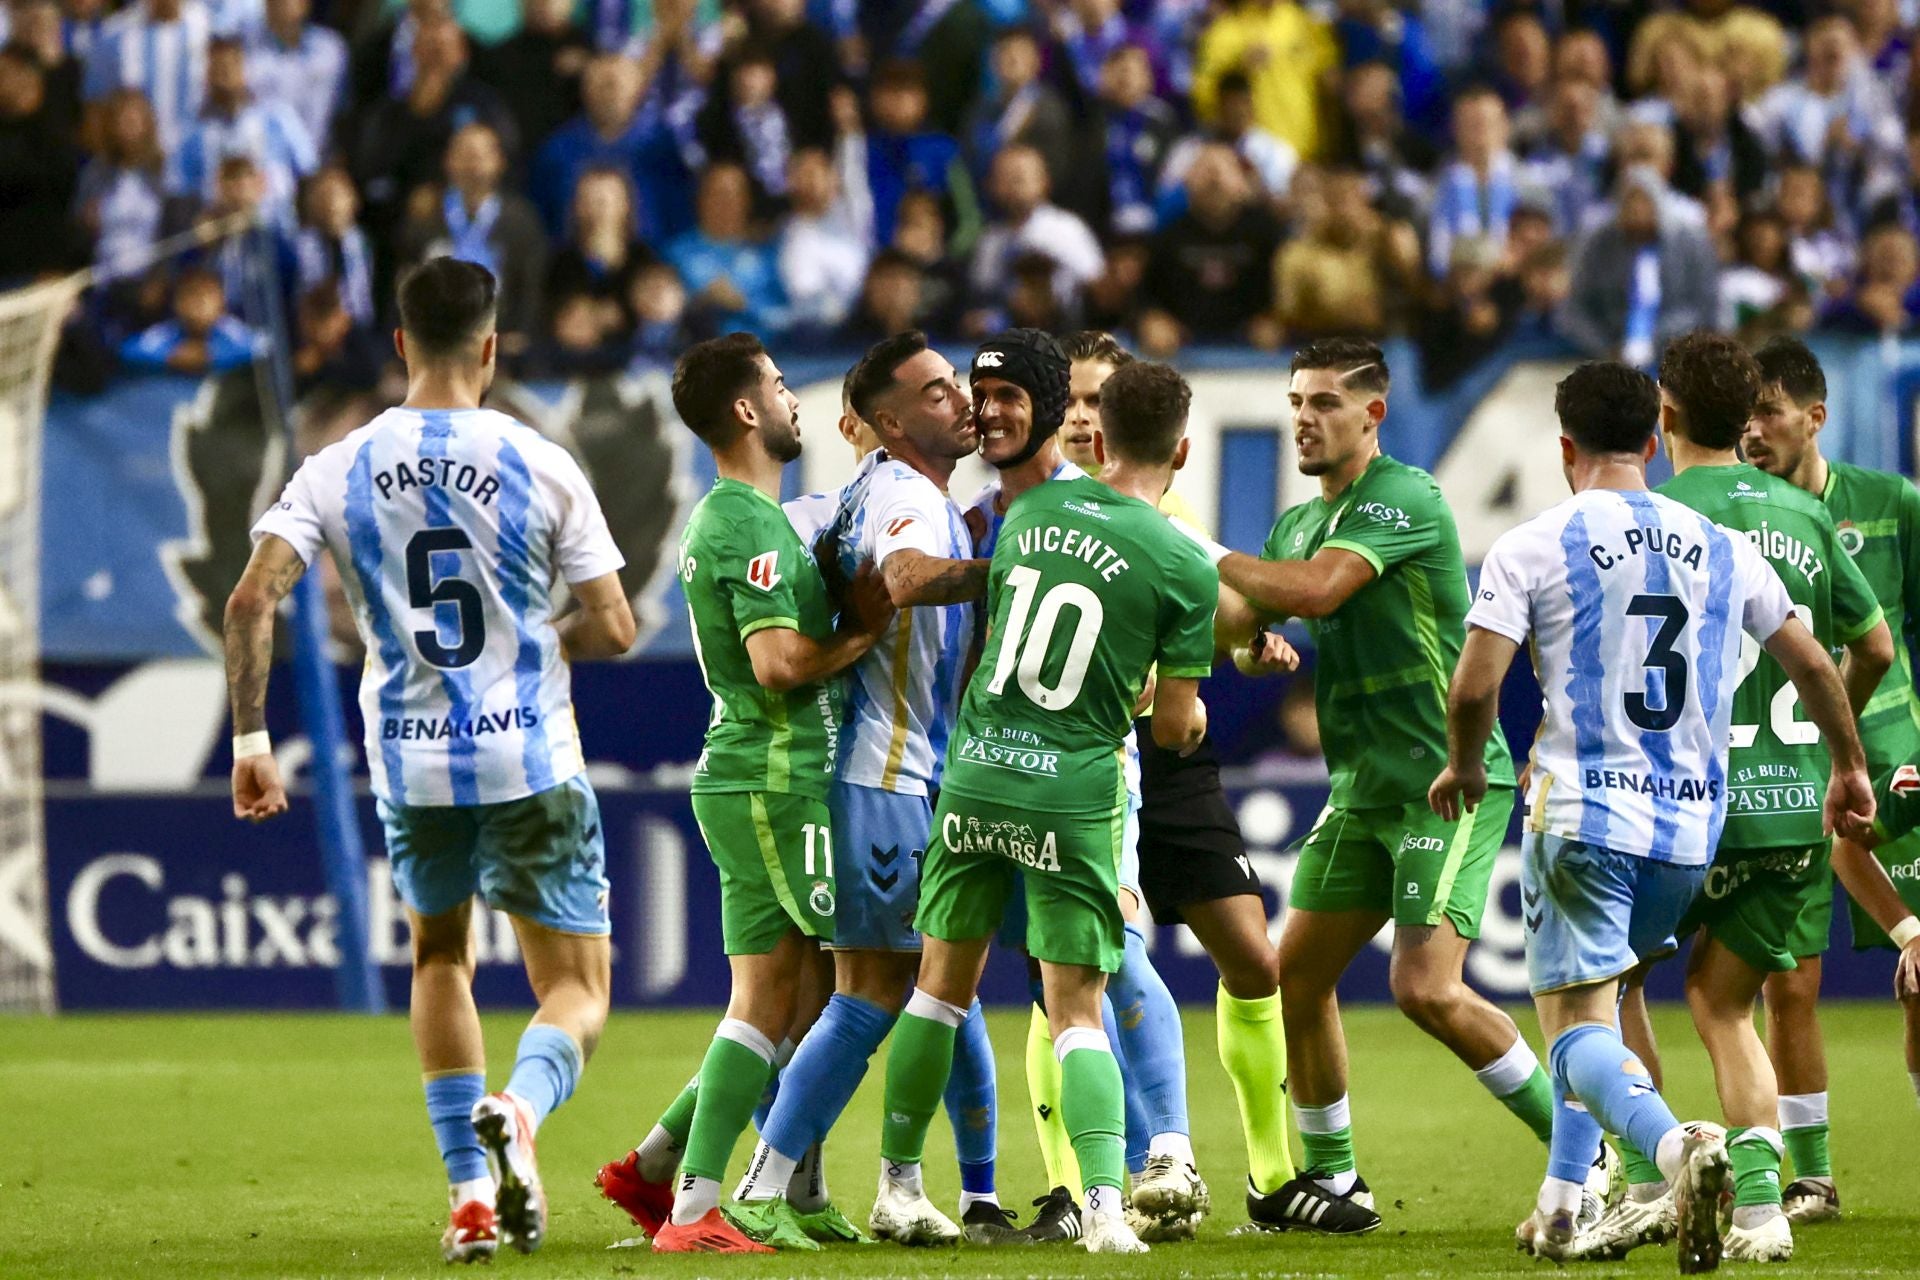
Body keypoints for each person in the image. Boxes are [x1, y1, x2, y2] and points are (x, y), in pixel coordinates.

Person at [223, 257, 639, 1262]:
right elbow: (616, 627)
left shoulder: (338, 464)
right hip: (530, 760)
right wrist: (539, 643)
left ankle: (468, 1194)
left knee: (439, 956)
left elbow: (249, 601)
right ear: (492, 347)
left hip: (411, 765)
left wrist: (251, 742)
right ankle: (522, 1112)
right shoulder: (539, 460)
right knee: (576, 991)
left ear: (401, 344)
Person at [1427, 357, 1877, 1267]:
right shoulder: (1719, 542)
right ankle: (1566, 1205)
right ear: (1648, 438)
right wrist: (1849, 767)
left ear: (1564, 448)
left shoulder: (1535, 543)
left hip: (1586, 816)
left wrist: (1466, 765)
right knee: (1610, 1011)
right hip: (1689, 828)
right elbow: (1821, 665)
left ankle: (1675, 1154)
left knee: (1574, 1028)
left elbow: (1476, 685)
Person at [1176, 339, 1557, 1232]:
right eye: (1296, 402)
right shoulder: (1298, 524)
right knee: (1291, 977)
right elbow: (1245, 616)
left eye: (1323, 404)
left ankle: (1591, 1156)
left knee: (1425, 987)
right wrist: (1242, 644)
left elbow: (1312, 595)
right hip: (1359, 793)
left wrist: (1184, 538)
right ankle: (1336, 1178)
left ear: (1372, 415)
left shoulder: (1405, 498)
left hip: (1446, 785)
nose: (1303, 418)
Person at [875, 351, 1217, 1255]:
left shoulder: (1027, 513)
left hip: (977, 771)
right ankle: (1106, 1208)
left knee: (938, 993)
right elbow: (1177, 724)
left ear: (1094, 439)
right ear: (1180, 454)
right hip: (1071, 793)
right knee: (1075, 1005)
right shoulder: (1184, 562)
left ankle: (899, 1186)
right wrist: (1157, 699)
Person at [1587, 332, 1891, 1265]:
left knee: (1609, 985)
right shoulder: (1805, 516)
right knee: (1728, 1007)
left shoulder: (1656, 517)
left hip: (1681, 804)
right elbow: (1872, 648)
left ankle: (1643, 1177)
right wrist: (1841, 758)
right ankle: (1762, 1207)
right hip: (1794, 805)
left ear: (1664, 418)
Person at [718, 332, 1015, 1248]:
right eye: (933, 392)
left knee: (944, 982)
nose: (959, 400)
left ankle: (965, 1194)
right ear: (887, 422)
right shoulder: (902, 495)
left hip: (901, 772)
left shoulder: (871, 490)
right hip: (877, 775)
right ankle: (763, 1185)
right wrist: (1024, 571)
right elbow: (907, 577)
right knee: (876, 990)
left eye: (953, 383)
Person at [612, 332, 891, 1254]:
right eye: (776, 384)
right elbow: (777, 665)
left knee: (802, 1003)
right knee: (788, 999)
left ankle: (681, 1172)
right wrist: (863, 630)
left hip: (765, 778)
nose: (788, 397)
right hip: (774, 778)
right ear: (744, 411)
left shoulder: (747, 518)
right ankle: (692, 1208)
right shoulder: (740, 522)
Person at [1062, 331, 1328, 1236]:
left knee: (1254, 960)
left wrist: (1249, 645)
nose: (1083, 419)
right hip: (1089, 756)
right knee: (1091, 965)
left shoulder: (1170, 524)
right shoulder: (1038, 512)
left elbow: (1213, 608)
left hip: (1169, 766)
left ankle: (1267, 1175)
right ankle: (1098, 1179)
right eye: (1074, 401)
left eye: (1100, 403)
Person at [1739, 335, 1920, 1219]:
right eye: (1742, 417)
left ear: (1816, 416)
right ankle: (1810, 1173)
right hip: (1784, 767)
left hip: (1899, 765)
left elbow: (1891, 640)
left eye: (1768, 413)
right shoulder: (1743, 512)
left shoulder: (1892, 505)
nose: (1753, 432)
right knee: (1788, 976)